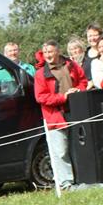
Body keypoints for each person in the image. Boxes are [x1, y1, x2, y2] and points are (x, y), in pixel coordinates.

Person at [34, 40, 87, 192]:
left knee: (79, 147)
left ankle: (83, 178)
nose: (48, 55)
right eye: (45, 53)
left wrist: (79, 90)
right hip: (55, 115)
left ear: (57, 51)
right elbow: (41, 97)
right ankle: (66, 183)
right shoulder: (41, 74)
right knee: (60, 150)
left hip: (76, 111)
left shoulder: (71, 64)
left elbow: (83, 80)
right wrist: (63, 97)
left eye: (50, 52)